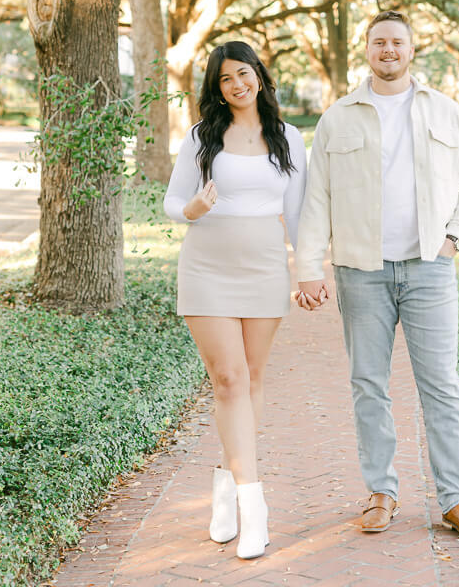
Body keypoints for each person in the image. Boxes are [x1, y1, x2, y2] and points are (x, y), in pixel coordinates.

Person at [295, 10, 459, 541]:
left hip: (429, 268)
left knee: (442, 386)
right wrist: (307, 267)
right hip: (362, 272)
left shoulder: (446, 112)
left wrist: (455, 237)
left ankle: (454, 498)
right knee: (368, 385)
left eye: (397, 43)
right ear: (368, 50)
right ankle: (382, 492)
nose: (388, 50)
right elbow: (318, 199)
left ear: (411, 50)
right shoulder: (338, 117)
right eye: (379, 42)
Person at [163, 41, 306, 560]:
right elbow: (172, 202)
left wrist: (308, 270)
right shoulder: (203, 137)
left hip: (265, 266)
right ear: (216, 88)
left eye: (243, 74)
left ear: (260, 77)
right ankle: (254, 507)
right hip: (207, 267)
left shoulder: (287, 138)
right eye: (225, 79)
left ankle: (226, 483)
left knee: (253, 378)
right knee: (228, 379)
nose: (236, 85)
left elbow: (298, 210)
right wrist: (196, 208)